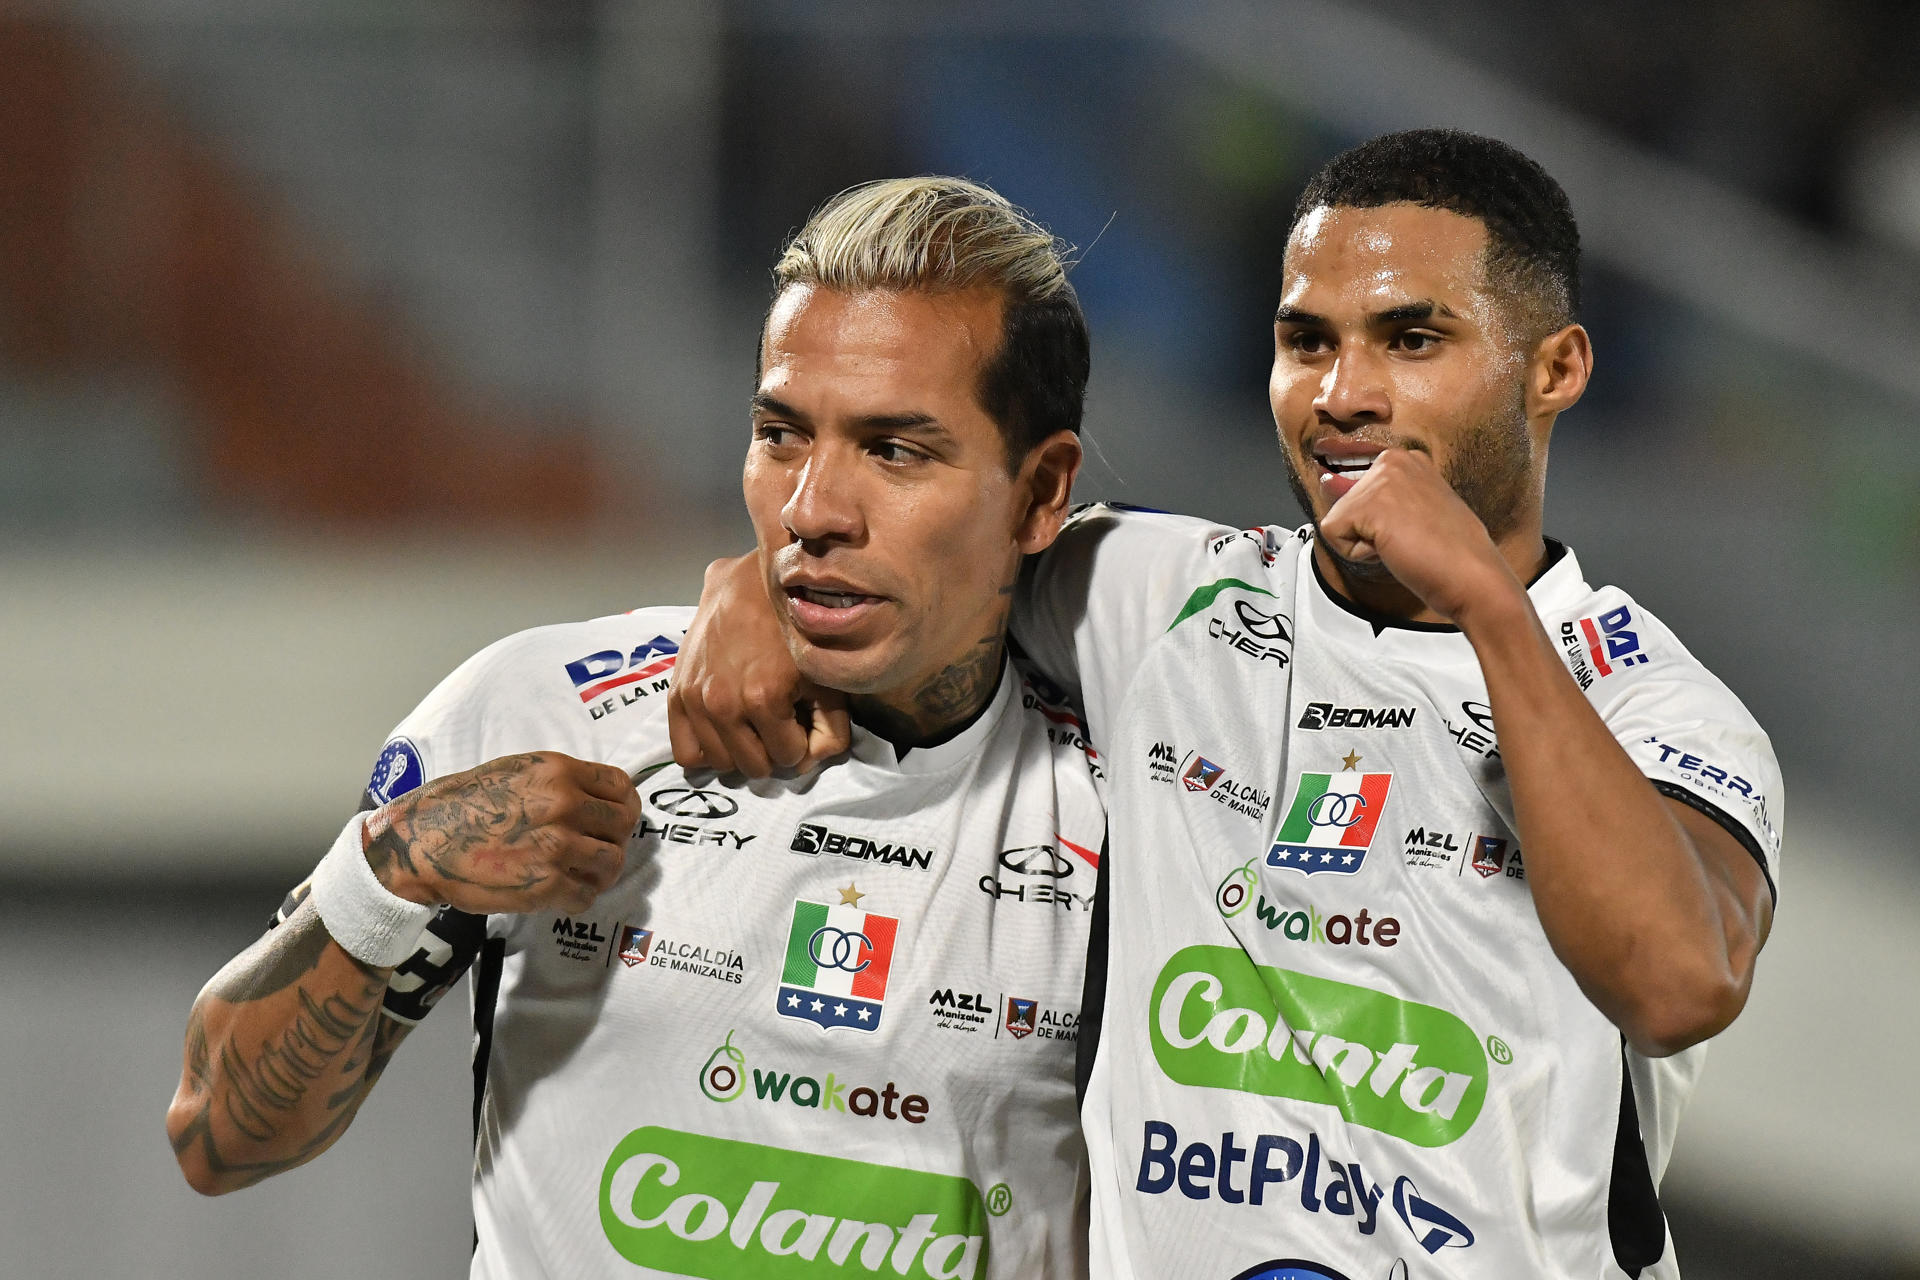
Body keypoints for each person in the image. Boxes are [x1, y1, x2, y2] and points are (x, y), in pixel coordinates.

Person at [667, 130, 1782, 1279]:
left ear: (1554, 369)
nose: (1344, 394)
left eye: (1410, 338)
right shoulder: (1152, 595)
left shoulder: (1658, 701)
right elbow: (912, 549)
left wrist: (1490, 610)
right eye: (1308, 341)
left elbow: (1676, 980)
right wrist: (751, 589)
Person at [165, 176, 1110, 1280]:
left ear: (1042, 492)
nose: (812, 509)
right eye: (780, 435)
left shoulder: (1142, 796)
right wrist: (392, 868)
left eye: (895, 450)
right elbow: (218, 1130)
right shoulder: (553, 706)